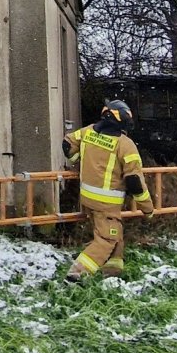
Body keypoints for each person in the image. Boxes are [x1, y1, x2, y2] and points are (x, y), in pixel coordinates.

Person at [64, 100, 154, 281]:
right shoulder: (125, 144)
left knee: (115, 232)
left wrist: (79, 159)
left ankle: (113, 274)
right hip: (106, 204)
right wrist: (147, 209)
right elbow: (135, 182)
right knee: (106, 239)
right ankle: (75, 276)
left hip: (87, 198)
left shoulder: (87, 132)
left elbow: (67, 143)